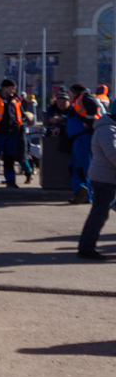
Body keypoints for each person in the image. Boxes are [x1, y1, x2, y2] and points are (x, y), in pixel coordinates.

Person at [79, 101, 116, 260]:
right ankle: (86, 249)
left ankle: (86, 247)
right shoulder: (107, 130)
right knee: (99, 214)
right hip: (104, 180)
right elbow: (114, 156)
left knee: (99, 214)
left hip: (109, 179)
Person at [67, 84, 103, 204]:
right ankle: (81, 193)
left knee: (83, 167)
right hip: (78, 139)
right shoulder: (78, 101)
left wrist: (88, 121)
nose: (68, 95)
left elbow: (93, 106)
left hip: (83, 138)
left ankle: (87, 194)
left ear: (74, 92)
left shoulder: (84, 98)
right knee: (75, 167)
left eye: (69, 92)